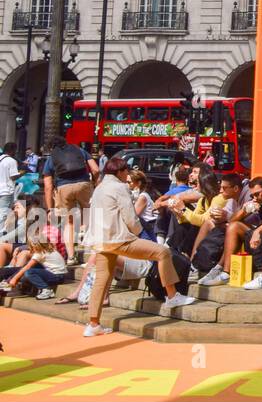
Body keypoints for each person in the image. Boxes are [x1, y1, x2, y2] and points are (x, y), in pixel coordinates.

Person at [83, 156, 195, 336]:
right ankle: (172, 296)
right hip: (119, 239)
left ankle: (93, 323)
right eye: (126, 170)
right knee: (162, 252)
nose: (128, 174)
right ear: (119, 172)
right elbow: (130, 217)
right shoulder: (119, 187)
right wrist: (137, 232)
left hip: (101, 240)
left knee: (101, 280)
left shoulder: (99, 187)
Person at [42, 135, 100, 265]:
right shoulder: (79, 150)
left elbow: (48, 186)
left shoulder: (51, 158)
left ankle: (71, 257)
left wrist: (49, 208)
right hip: (84, 184)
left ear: (51, 147)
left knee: (69, 222)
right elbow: (96, 170)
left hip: (63, 187)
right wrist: (95, 183)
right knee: (89, 213)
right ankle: (88, 245)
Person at [0, 228, 70, 300]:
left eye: (30, 246)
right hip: (56, 274)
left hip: (57, 276)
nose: (29, 248)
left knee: (29, 272)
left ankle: (46, 290)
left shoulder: (40, 253)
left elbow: (27, 267)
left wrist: (14, 279)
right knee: (29, 268)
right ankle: (7, 281)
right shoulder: (49, 249)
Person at [126, 170, 160, 242]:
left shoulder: (142, 197)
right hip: (145, 227)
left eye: (129, 182)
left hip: (147, 229)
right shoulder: (139, 195)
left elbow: (133, 215)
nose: (127, 184)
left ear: (138, 183)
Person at [0, 142, 17, 243]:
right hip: (6, 190)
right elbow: (13, 176)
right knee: (3, 214)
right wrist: (21, 174)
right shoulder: (11, 161)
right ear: (12, 150)